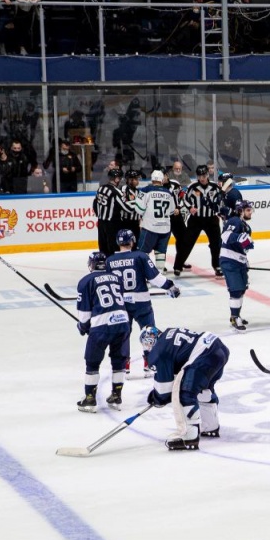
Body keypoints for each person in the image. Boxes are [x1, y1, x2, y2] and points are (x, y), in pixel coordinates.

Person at [141, 326, 230, 451]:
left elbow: (164, 392)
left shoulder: (158, 352)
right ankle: (210, 426)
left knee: (185, 394)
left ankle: (188, 436)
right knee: (203, 389)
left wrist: (156, 398)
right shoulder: (168, 334)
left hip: (204, 356)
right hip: (217, 347)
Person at [107, 229, 180, 377]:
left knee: (122, 334)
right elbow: (155, 278)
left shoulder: (110, 261)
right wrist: (170, 286)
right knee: (148, 330)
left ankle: (123, 365)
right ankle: (150, 362)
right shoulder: (140, 256)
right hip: (141, 302)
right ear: (133, 241)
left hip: (120, 304)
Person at [75, 252, 130, 414]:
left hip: (101, 326)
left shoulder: (85, 281)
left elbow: (84, 313)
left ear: (91, 264)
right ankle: (116, 395)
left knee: (92, 363)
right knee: (119, 360)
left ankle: (90, 399)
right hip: (123, 322)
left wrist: (83, 326)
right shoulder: (116, 278)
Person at [174, 165, 223, 278]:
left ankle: (217, 266)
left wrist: (219, 211)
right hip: (196, 219)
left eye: (204, 175)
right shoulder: (192, 187)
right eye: (200, 176)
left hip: (211, 219)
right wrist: (190, 207)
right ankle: (178, 265)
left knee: (216, 243)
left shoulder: (215, 187)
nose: (202, 178)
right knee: (187, 242)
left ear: (207, 174)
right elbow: (185, 199)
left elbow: (220, 201)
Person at [219, 200, 254, 331]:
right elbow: (226, 236)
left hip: (239, 261)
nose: (251, 213)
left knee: (242, 289)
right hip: (229, 260)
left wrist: (246, 249)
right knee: (235, 290)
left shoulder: (246, 226)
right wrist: (239, 237)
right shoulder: (234, 221)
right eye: (248, 210)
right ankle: (234, 317)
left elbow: (243, 247)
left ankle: (236, 314)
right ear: (240, 211)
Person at [135, 170, 176, 272]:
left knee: (143, 252)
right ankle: (159, 275)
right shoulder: (168, 192)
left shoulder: (145, 190)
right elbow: (171, 211)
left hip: (150, 227)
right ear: (162, 180)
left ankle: (142, 274)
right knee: (160, 252)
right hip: (165, 228)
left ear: (152, 179)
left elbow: (139, 209)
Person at [94, 167, 126, 257]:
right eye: (119, 178)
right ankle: (113, 265)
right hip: (112, 223)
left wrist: (99, 215)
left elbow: (95, 204)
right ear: (116, 179)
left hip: (101, 222)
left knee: (103, 245)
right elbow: (125, 207)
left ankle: (104, 264)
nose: (120, 180)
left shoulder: (101, 189)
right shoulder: (116, 192)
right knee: (113, 246)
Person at [120, 169, 143, 246]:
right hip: (126, 222)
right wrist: (136, 205)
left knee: (136, 243)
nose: (137, 181)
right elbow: (124, 204)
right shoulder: (124, 189)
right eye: (136, 179)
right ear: (129, 180)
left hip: (135, 223)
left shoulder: (138, 192)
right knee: (127, 243)